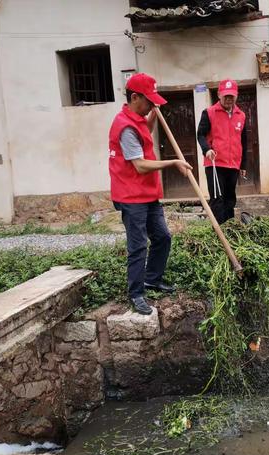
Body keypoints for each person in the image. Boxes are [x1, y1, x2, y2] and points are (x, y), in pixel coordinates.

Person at [108, 73, 192, 315]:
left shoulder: (138, 119)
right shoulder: (124, 127)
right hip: (131, 196)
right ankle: (136, 294)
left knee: (163, 237)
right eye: (149, 101)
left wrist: (153, 114)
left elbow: (145, 134)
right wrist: (173, 161)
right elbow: (140, 165)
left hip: (147, 193)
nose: (152, 105)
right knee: (138, 246)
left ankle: (152, 279)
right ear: (135, 98)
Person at [197, 79, 247, 224]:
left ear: (236, 96)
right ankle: (219, 233)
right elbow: (200, 134)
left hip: (233, 164)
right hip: (215, 163)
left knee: (230, 198)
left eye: (231, 96)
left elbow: (243, 141)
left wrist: (243, 164)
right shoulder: (209, 113)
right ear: (219, 94)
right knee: (217, 199)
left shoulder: (241, 115)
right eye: (226, 96)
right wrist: (206, 149)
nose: (228, 99)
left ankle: (229, 230)